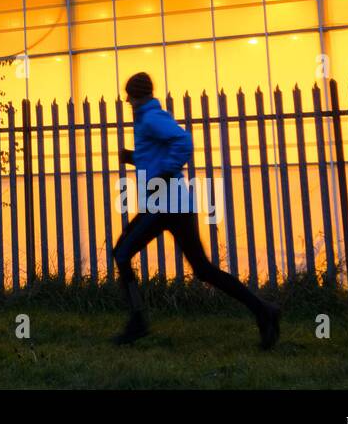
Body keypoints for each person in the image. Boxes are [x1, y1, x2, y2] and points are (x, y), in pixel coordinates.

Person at [111, 71, 281, 349]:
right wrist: (134, 158)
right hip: (175, 204)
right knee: (203, 269)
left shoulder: (151, 118)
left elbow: (183, 142)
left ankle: (138, 321)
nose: (127, 100)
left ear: (137, 96)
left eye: (129, 95)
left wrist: (164, 172)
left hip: (164, 203)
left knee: (121, 253)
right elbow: (158, 152)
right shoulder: (150, 117)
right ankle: (264, 310)